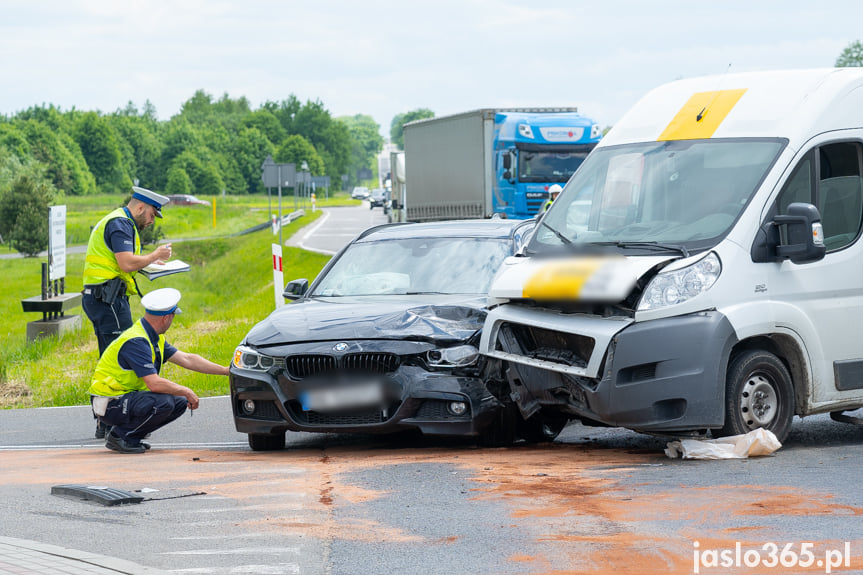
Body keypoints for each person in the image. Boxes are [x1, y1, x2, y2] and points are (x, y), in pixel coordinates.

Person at [88, 288, 230, 454]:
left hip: (122, 399)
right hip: (109, 403)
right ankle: (121, 436)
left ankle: (130, 437)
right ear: (166, 317)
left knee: (178, 402)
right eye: (173, 316)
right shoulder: (137, 341)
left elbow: (187, 359)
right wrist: (186, 390)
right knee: (164, 403)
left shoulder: (153, 337)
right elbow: (154, 383)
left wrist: (225, 370)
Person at [82, 186, 172, 438]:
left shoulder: (120, 221)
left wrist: (151, 262)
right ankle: (111, 420)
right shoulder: (121, 223)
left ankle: (107, 420)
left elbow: (124, 262)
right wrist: (153, 255)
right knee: (120, 359)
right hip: (107, 298)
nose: (152, 220)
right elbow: (126, 262)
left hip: (106, 298)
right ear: (141, 207)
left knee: (110, 357)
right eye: (153, 214)